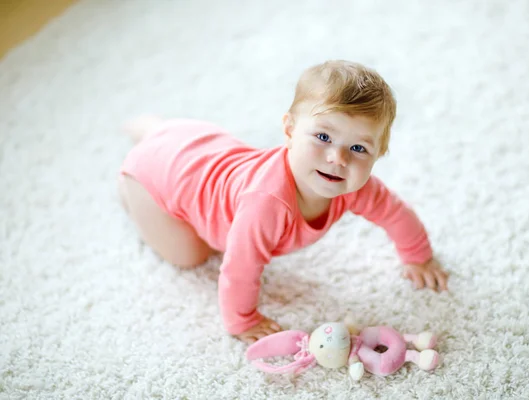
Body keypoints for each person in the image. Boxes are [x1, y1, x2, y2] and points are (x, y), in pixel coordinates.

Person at [118, 60, 449, 344]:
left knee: (188, 153)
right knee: (191, 254)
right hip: (159, 176)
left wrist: (418, 257)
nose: (338, 158)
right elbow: (239, 269)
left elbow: (395, 213)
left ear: (379, 154)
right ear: (289, 130)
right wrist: (243, 320)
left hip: (194, 145)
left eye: (359, 149)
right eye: (323, 137)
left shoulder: (354, 186)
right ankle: (131, 179)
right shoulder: (265, 204)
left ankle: (158, 131)